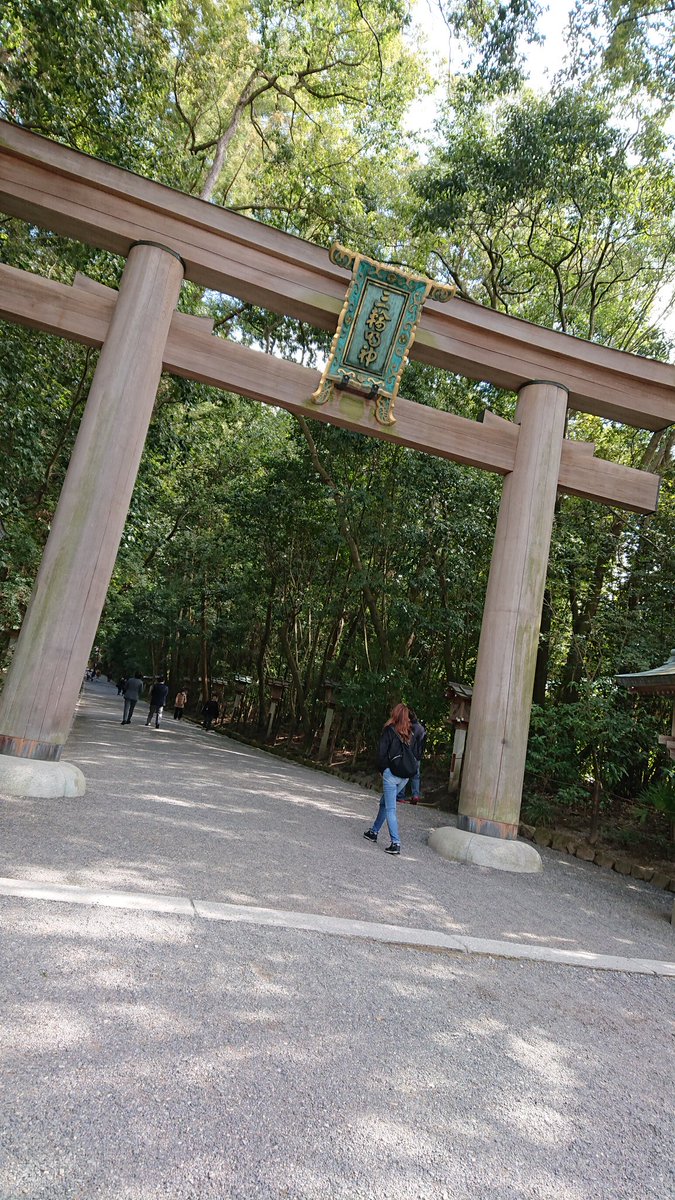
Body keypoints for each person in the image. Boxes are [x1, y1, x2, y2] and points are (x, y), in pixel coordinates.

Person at [363, 702, 418, 856]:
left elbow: (381, 753)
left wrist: (383, 770)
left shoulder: (389, 731)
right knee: (385, 802)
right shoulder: (409, 733)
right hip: (405, 777)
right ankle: (373, 832)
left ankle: (396, 842)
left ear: (395, 714)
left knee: (390, 808)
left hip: (391, 775)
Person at [398, 708, 427, 805]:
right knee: (416, 776)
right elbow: (423, 744)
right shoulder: (421, 729)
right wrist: (420, 755)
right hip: (417, 755)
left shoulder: (407, 727)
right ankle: (415, 795)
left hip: (407, 754)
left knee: (404, 775)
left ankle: (400, 796)